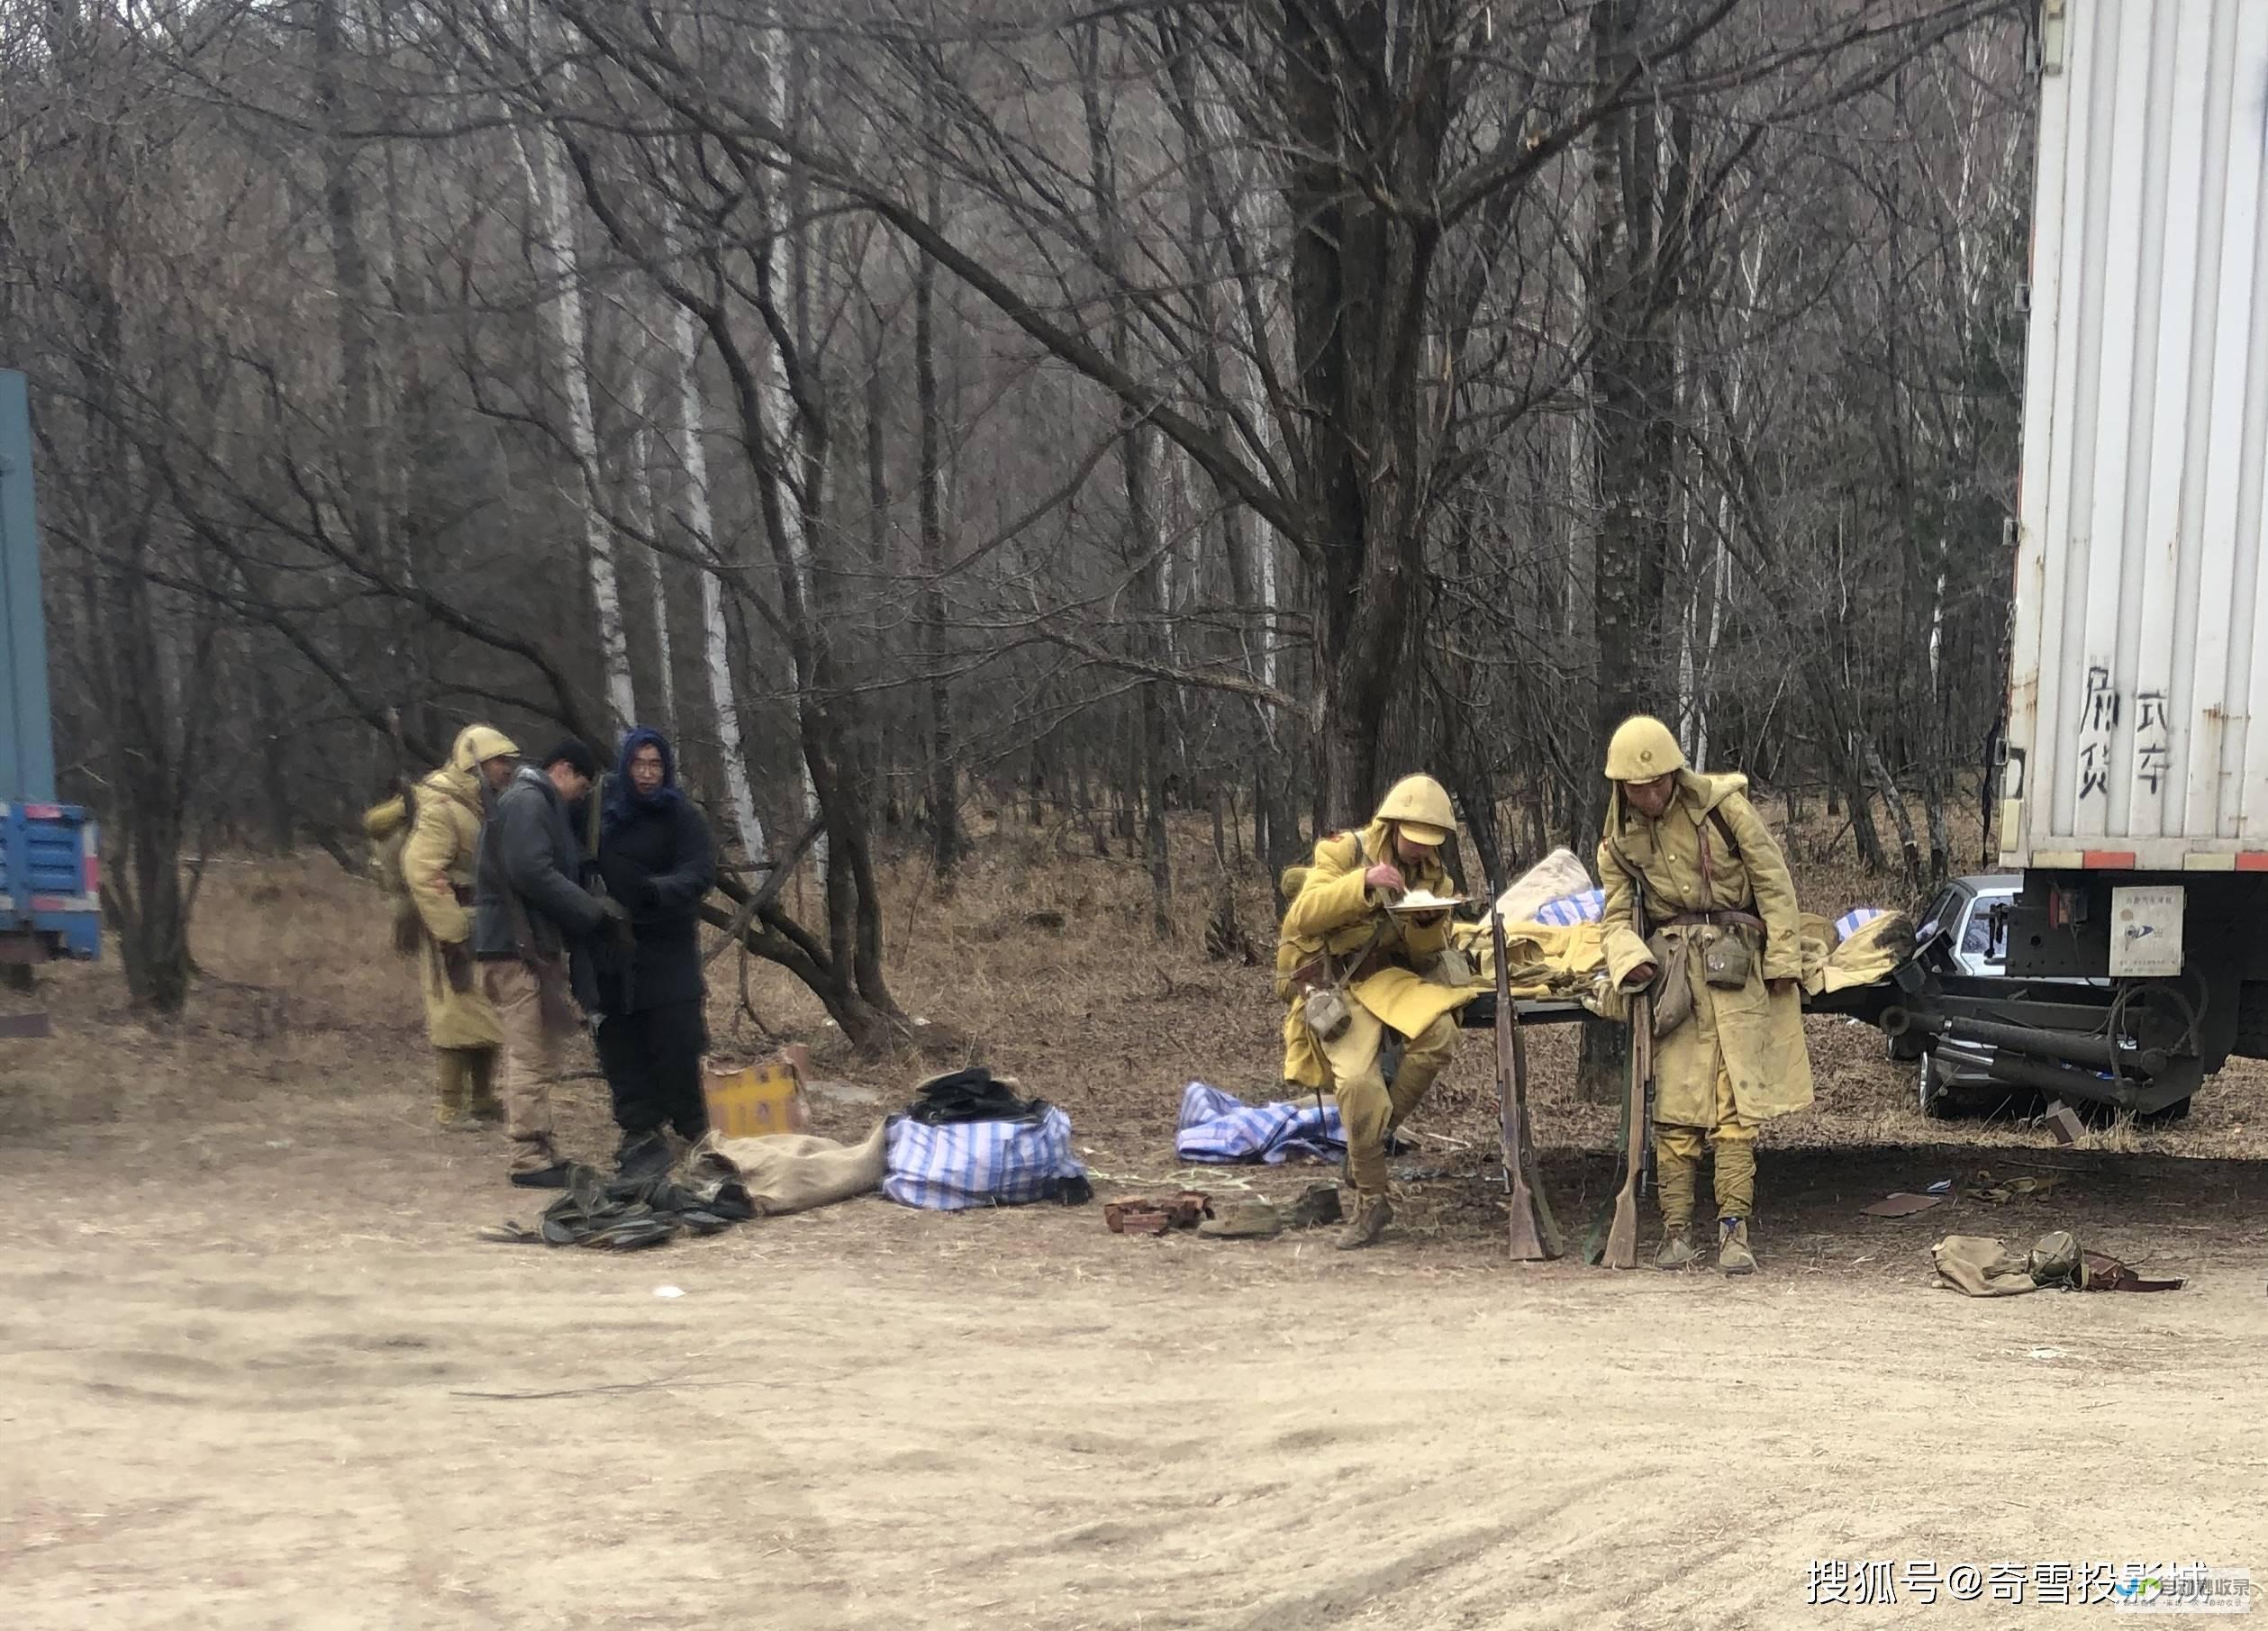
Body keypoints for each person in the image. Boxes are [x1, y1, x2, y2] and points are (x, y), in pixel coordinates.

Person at [1596, 715, 1812, 1275]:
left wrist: (1785, 956)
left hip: (1737, 963)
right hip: (1672, 977)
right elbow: (1615, 916)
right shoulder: (1617, 840)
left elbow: (1772, 879)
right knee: (1675, 1106)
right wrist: (1629, 960)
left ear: (1675, 773)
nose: (1647, 794)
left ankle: (1734, 1232)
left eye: (1656, 783)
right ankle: (1674, 1234)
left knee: (1735, 1105)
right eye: (1635, 787)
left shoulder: (1724, 807)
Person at [1277, 774, 1473, 1251]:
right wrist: (1362, 883)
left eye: (1430, 843)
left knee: (1441, 1031)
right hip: (1337, 983)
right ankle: (1372, 1198)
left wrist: (1427, 923)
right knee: (1358, 1085)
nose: (1418, 851)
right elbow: (1305, 915)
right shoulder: (1343, 851)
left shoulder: (1435, 877)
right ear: (1392, 823)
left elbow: (1425, 955)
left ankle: (1368, 1144)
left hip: (1389, 978)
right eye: (1412, 839)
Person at [473, 738, 625, 1186]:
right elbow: (531, 871)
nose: (580, 794)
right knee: (529, 1055)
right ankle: (528, 1157)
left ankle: (540, 1148)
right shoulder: (528, 802)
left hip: (519, 946)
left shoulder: (525, 800)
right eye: (581, 783)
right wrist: (590, 911)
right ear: (563, 769)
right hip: (515, 951)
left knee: (535, 1053)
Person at [590, 727, 717, 1180]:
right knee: (621, 1039)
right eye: (638, 764)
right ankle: (640, 1127)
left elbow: (700, 871)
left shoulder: (682, 816)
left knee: (678, 1037)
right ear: (625, 766)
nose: (646, 774)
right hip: (610, 945)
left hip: (667, 942)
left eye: (655, 764)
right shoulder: (601, 813)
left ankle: (693, 1121)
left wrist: (655, 891)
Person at [394, 725, 518, 1130]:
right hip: (452, 925)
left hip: (481, 920)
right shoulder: (443, 808)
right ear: (475, 764)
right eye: (499, 761)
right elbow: (422, 869)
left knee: (485, 1013)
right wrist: (451, 929)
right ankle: (451, 1107)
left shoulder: (480, 802)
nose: (507, 769)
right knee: (456, 1015)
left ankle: (482, 1098)